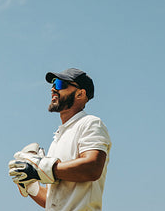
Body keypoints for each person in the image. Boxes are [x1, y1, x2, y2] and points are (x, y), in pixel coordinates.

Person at [8, 68, 111, 211]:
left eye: (61, 85)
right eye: (53, 84)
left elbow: (92, 168)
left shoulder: (90, 123)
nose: (53, 89)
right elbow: (52, 202)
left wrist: (40, 168)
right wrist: (30, 185)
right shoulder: (58, 138)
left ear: (80, 94)